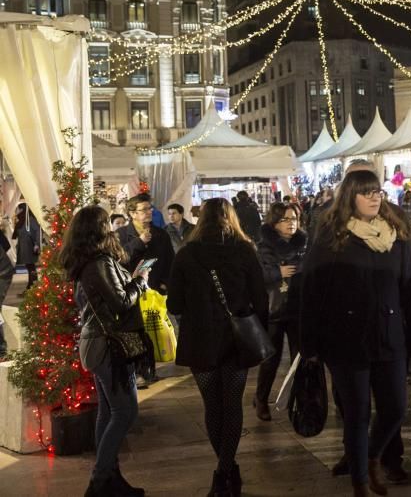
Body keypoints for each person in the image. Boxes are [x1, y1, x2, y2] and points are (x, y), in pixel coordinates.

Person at [300, 170, 411, 497]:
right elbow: (311, 291)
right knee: (356, 415)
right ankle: (360, 482)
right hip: (347, 340)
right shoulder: (332, 238)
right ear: (350, 197)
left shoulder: (396, 236)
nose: (375, 197)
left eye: (378, 192)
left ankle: (370, 458)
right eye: (366, 192)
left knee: (396, 408)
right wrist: (309, 343)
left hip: (390, 335)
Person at [167, 198, 268, 497]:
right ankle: (226, 471)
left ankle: (225, 471)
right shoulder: (245, 251)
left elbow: (174, 303)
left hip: (201, 339)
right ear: (232, 218)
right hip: (236, 339)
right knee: (232, 405)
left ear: (200, 220)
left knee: (212, 406)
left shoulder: (186, 254)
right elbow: (261, 299)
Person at [65, 205, 150, 497]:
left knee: (107, 411)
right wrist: (141, 282)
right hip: (108, 345)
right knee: (126, 412)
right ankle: (99, 482)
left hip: (95, 344)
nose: (114, 229)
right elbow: (121, 302)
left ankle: (111, 479)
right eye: (108, 225)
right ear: (99, 230)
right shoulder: (99, 263)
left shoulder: (83, 263)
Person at [252, 202, 308, 422]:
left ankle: (298, 400)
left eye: (294, 218)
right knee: (270, 359)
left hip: (298, 308)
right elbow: (256, 278)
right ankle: (261, 398)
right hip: (273, 309)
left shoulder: (304, 245)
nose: (291, 223)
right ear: (274, 223)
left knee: (298, 359)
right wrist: (278, 272)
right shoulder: (262, 248)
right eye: (285, 219)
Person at [116, 193, 174, 297]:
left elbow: (170, 261)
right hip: (130, 292)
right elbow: (119, 260)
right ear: (133, 214)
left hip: (156, 292)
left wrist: (164, 284)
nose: (149, 212)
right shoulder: (120, 234)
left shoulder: (161, 234)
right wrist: (139, 242)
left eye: (150, 208)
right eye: (144, 209)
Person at [13, 204, 40, 289]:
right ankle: (32, 284)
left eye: (19, 209)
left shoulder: (30, 220)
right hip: (24, 246)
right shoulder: (22, 220)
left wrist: (37, 244)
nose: (17, 211)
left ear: (23, 210)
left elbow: (38, 231)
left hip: (30, 246)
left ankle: (32, 285)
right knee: (29, 266)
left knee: (30, 266)